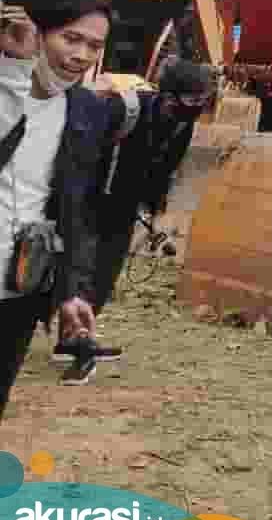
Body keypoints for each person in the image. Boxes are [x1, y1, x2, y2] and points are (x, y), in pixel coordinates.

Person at [0, 0, 130, 413]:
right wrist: (15, 70)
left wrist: (72, 291)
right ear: (35, 31)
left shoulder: (85, 112)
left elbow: (76, 210)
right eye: (70, 38)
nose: (82, 55)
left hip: (18, 291)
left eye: (94, 45)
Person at [59, 58, 215, 377]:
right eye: (193, 100)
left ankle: (74, 339)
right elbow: (80, 150)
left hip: (122, 206)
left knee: (104, 273)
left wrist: (157, 213)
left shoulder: (183, 125)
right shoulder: (124, 109)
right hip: (86, 200)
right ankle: (69, 335)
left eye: (204, 100)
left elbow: (165, 170)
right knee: (76, 267)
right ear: (169, 96)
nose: (199, 106)